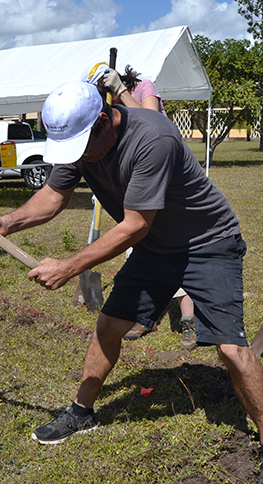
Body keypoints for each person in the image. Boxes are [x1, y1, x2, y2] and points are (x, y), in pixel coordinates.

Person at [0, 81, 263, 484]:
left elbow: (135, 224)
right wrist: (9, 222)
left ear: (105, 120)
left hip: (208, 243)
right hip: (158, 247)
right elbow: (52, 195)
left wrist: (70, 266)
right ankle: (81, 412)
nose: (78, 157)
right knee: (109, 325)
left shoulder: (151, 138)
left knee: (230, 349)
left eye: (83, 146)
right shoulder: (83, 143)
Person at [85, 63, 195, 349]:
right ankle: (145, 317)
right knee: (136, 253)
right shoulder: (101, 111)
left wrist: (120, 92)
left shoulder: (143, 87)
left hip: (164, 177)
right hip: (133, 186)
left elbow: (151, 120)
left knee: (179, 259)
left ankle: (188, 321)